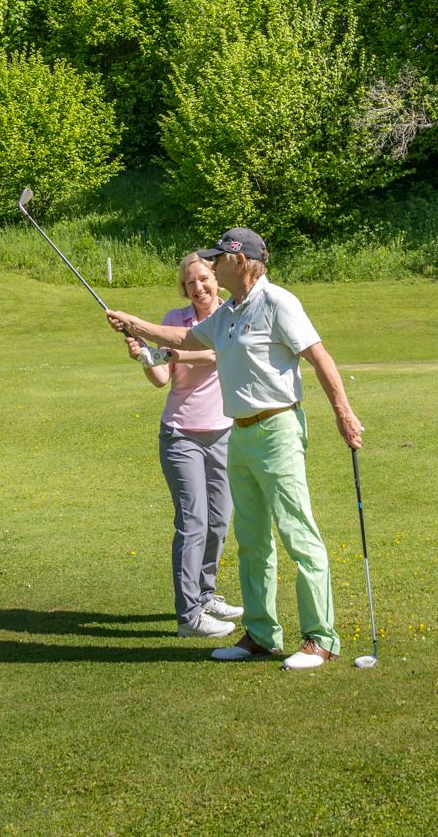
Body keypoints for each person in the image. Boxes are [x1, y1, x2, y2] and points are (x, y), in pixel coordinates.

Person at [107, 227, 364, 671]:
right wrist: (133, 324)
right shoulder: (228, 312)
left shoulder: (278, 302)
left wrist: (343, 412)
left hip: (278, 428)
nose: (210, 268)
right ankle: (262, 635)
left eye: (217, 261)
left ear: (239, 261)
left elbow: (319, 357)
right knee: (251, 540)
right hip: (239, 433)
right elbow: (184, 339)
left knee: (297, 533)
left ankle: (320, 639)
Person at [127, 252, 244, 639]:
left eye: (204, 278)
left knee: (219, 522)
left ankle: (206, 594)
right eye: (190, 282)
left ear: (217, 279)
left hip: (223, 433)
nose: (198, 287)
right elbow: (162, 378)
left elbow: (215, 355)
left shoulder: (230, 314)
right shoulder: (174, 322)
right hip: (181, 434)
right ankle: (189, 616)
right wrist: (145, 355)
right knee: (193, 522)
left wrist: (171, 351)